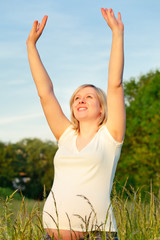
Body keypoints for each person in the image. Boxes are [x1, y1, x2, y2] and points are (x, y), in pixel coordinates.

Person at [26, 7, 125, 240]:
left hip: (96, 235)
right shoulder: (66, 135)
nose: (81, 99)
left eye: (89, 96)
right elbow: (45, 94)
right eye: (77, 98)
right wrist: (31, 46)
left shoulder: (110, 136)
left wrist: (117, 34)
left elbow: (115, 85)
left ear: (101, 108)